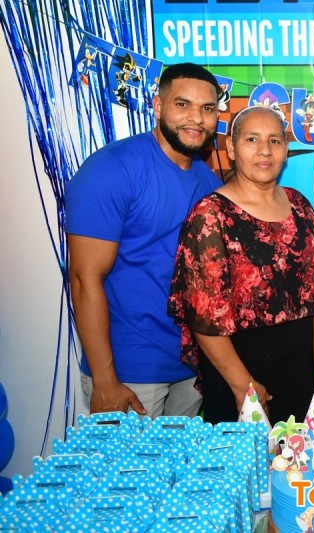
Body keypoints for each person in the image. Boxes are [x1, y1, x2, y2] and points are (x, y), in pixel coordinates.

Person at [66, 63, 223, 417]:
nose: (196, 118)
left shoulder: (210, 183)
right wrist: (105, 379)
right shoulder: (112, 168)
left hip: (192, 369)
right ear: (158, 106)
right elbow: (83, 277)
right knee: (125, 459)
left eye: (207, 108)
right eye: (182, 104)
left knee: (184, 458)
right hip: (129, 372)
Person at [168, 105, 314, 424]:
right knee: (245, 456)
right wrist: (243, 385)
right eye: (252, 139)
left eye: (274, 140)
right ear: (231, 148)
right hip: (239, 370)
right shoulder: (210, 215)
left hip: (301, 366)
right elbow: (203, 317)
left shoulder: (299, 204)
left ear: (285, 150)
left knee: (301, 455)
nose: (264, 150)